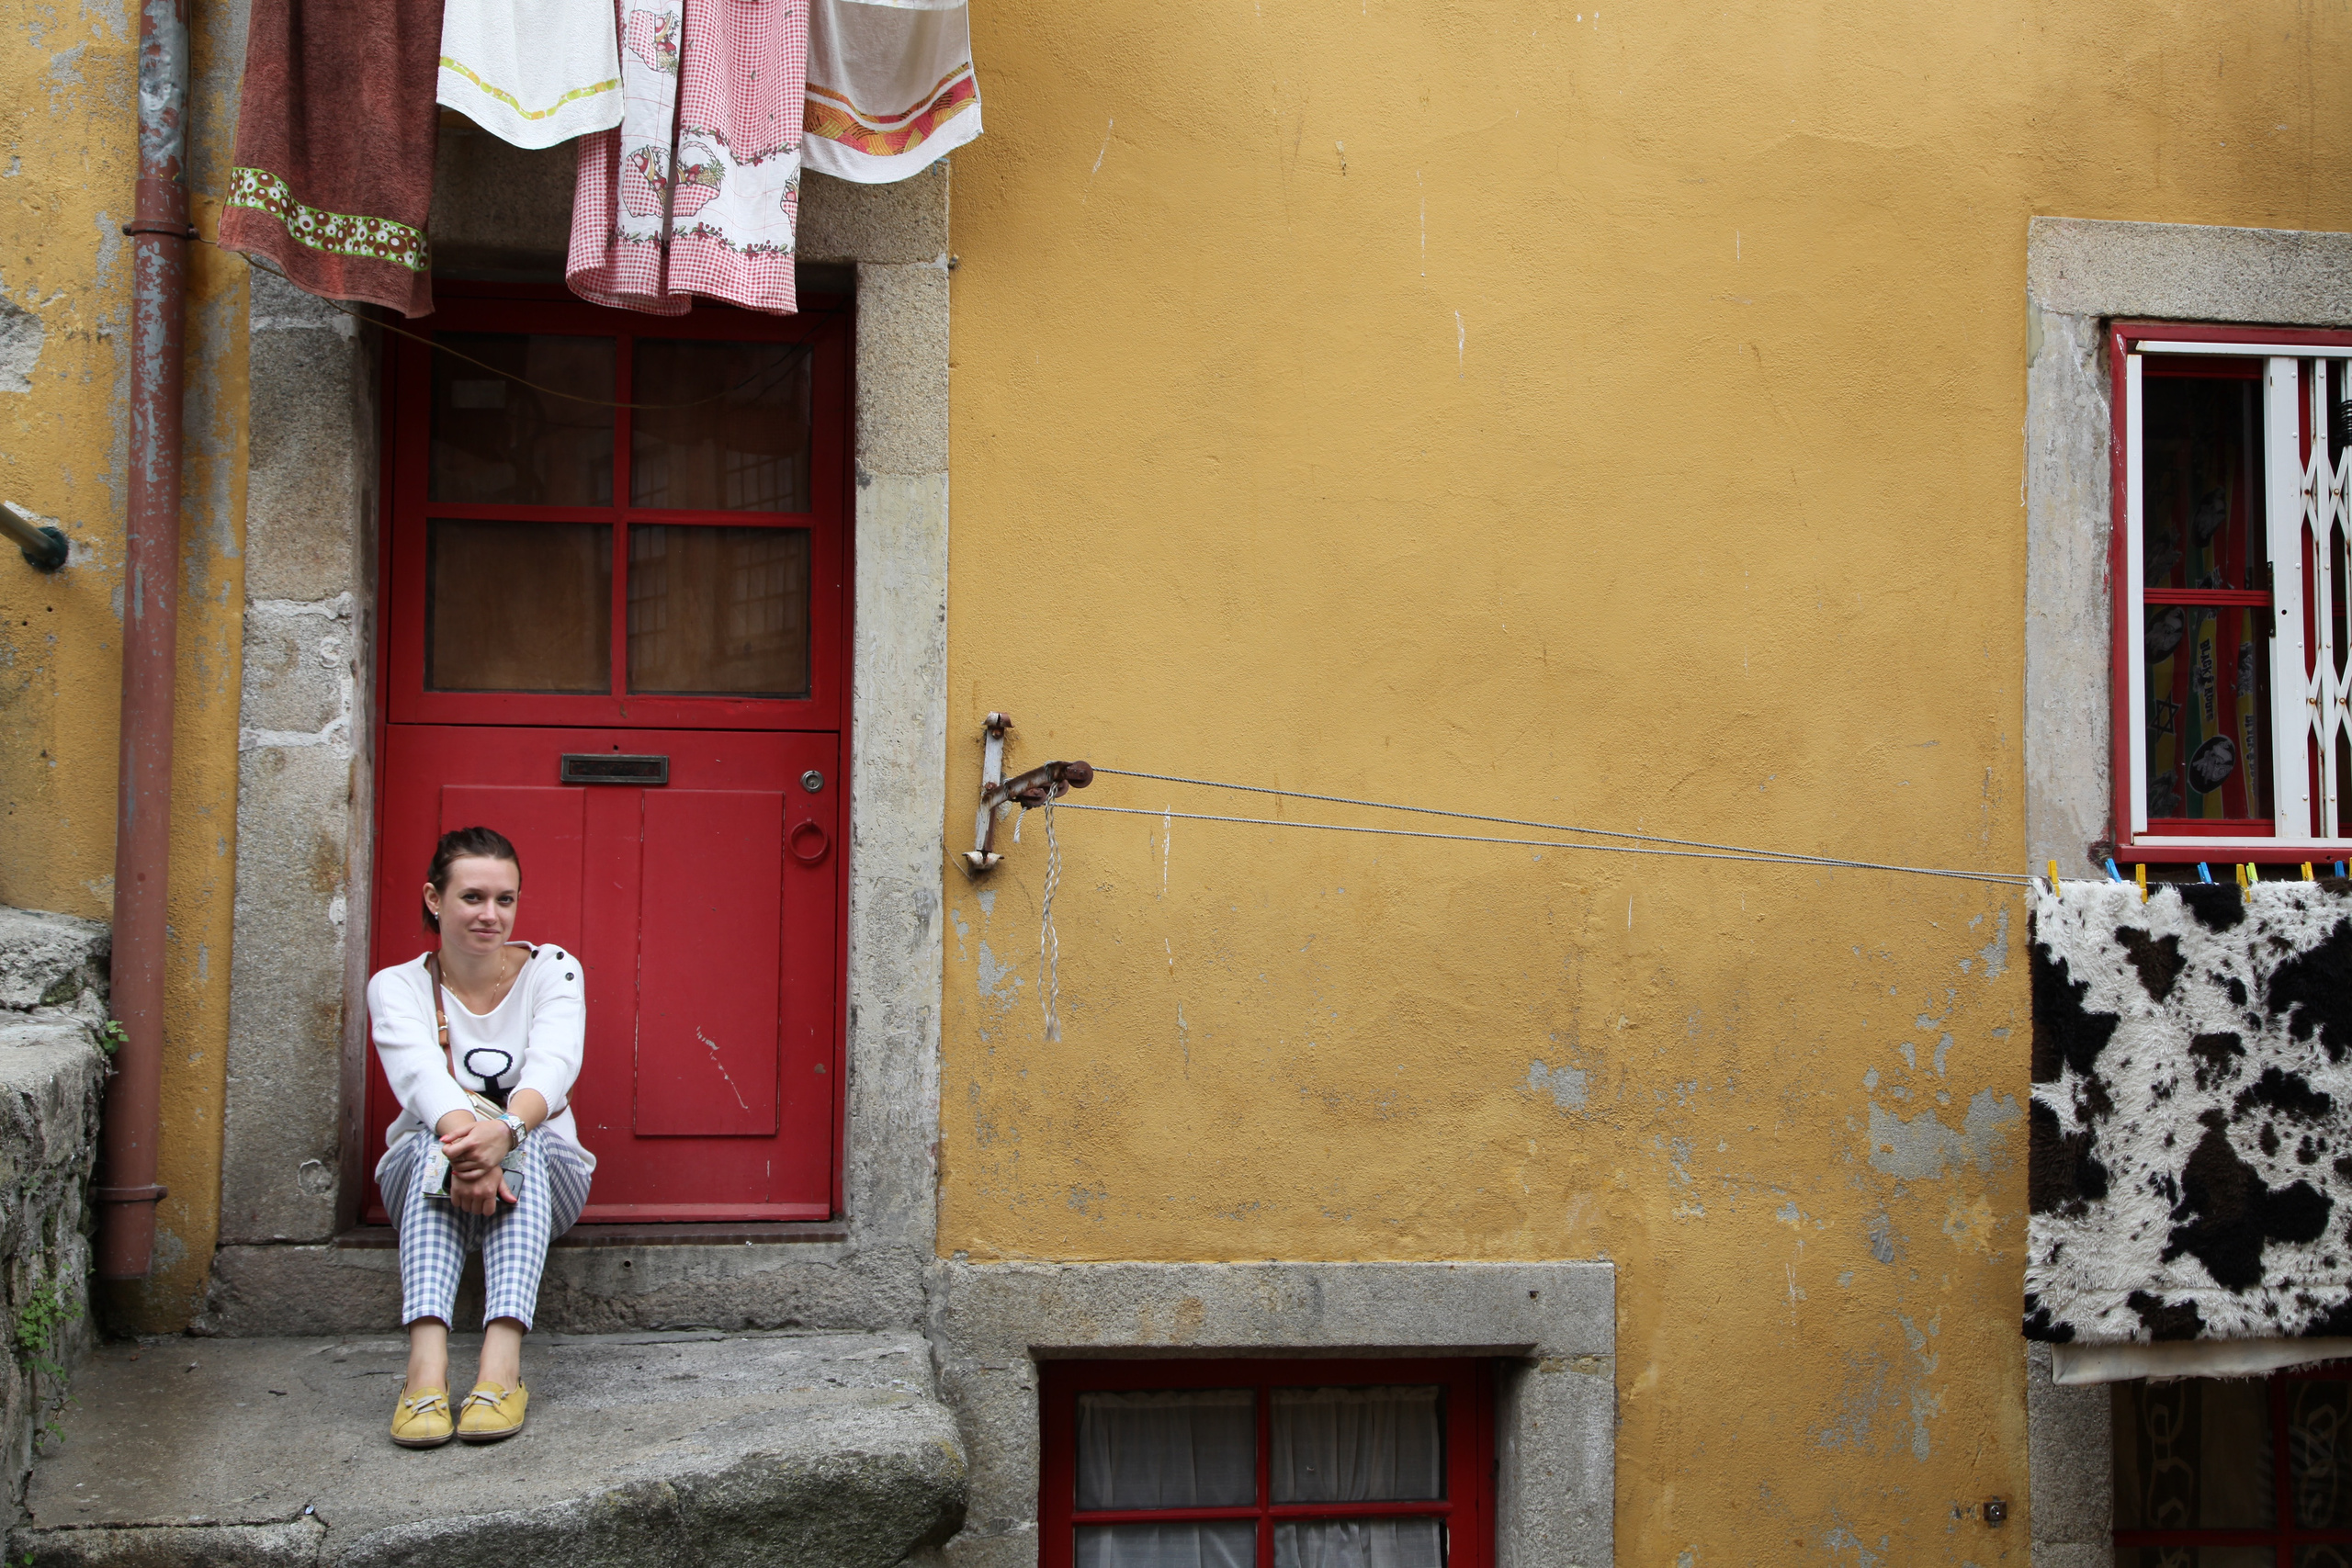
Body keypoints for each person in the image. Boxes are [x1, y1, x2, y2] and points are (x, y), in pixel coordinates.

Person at [368, 826, 595, 1448]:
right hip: (429, 1170)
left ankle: (500, 1369)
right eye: (472, 897)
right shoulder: (397, 986)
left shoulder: (554, 970)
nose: (490, 914)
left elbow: (554, 1067)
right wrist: (477, 1150)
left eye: (505, 899)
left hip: (548, 1179)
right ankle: (425, 1376)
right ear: (435, 899)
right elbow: (421, 1078)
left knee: (535, 1135)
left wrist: (509, 1132)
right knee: (425, 1141)